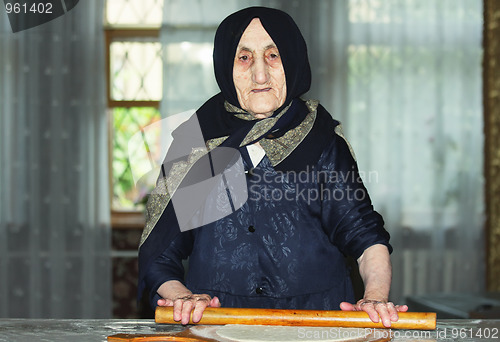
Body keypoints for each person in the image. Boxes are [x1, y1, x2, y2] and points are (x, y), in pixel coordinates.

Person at [138, 6, 408, 328]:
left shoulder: (323, 141)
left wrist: (375, 296)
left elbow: (364, 236)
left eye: (273, 55)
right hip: (216, 324)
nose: (261, 75)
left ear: (292, 61)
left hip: (315, 323)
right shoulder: (194, 143)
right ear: (226, 64)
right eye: (244, 58)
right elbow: (159, 252)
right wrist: (180, 296)